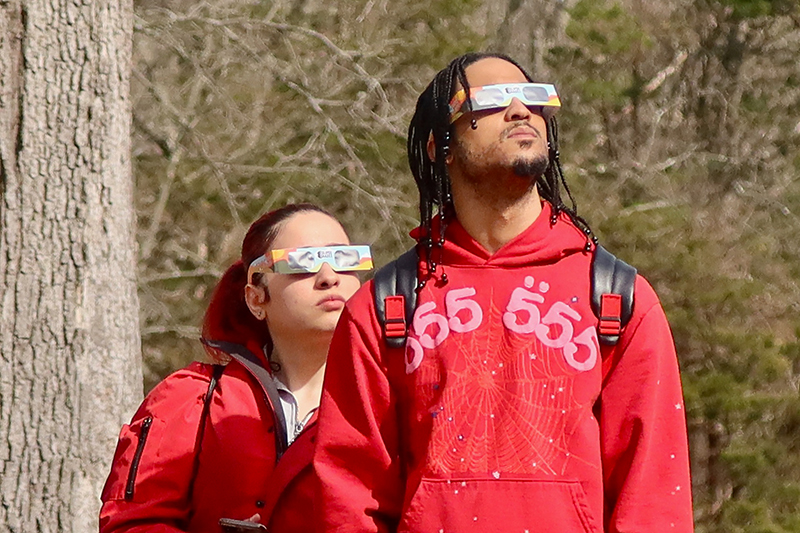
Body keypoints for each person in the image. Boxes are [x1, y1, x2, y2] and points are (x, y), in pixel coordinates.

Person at [313, 52, 694, 532]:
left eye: (534, 98)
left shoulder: (617, 298)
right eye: (491, 101)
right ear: (440, 146)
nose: (519, 110)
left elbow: (653, 499)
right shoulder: (385, 305)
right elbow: (350, 497)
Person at [99, 203, 370, 532]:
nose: (329, 278)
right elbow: (132, 523)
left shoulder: (391, 403)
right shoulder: (191, 399)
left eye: (345, 259)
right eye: (302, 262)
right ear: (256, 298)